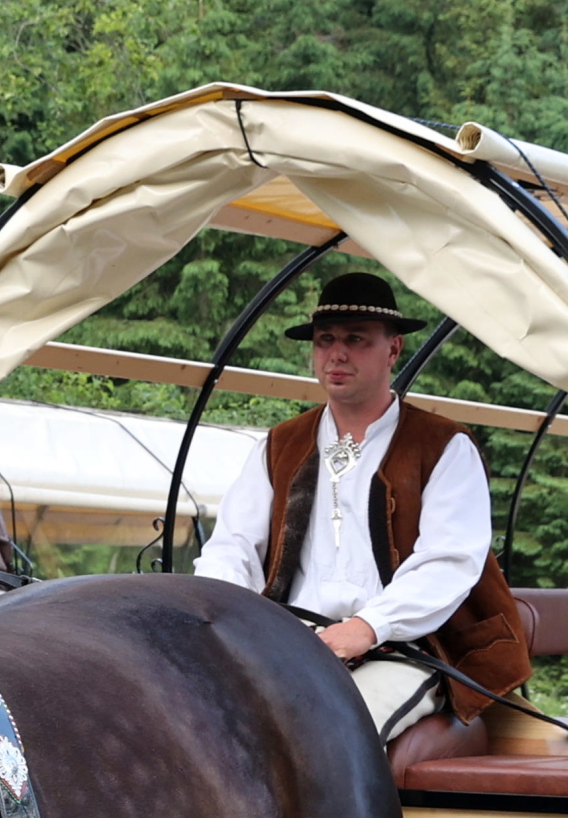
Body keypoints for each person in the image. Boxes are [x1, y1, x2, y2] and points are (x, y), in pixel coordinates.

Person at [197, 272, 529, 739]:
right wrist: (220, 613)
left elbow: (450, 561)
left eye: (356, 340)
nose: (337, 354)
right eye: (325, 340)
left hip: (410, 649)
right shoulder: (280, 444)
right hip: (294, 646)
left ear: (393, 350)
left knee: (329, 734)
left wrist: (369, 626)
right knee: (198, 723)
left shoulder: (443, 445)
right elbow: (233, 547)